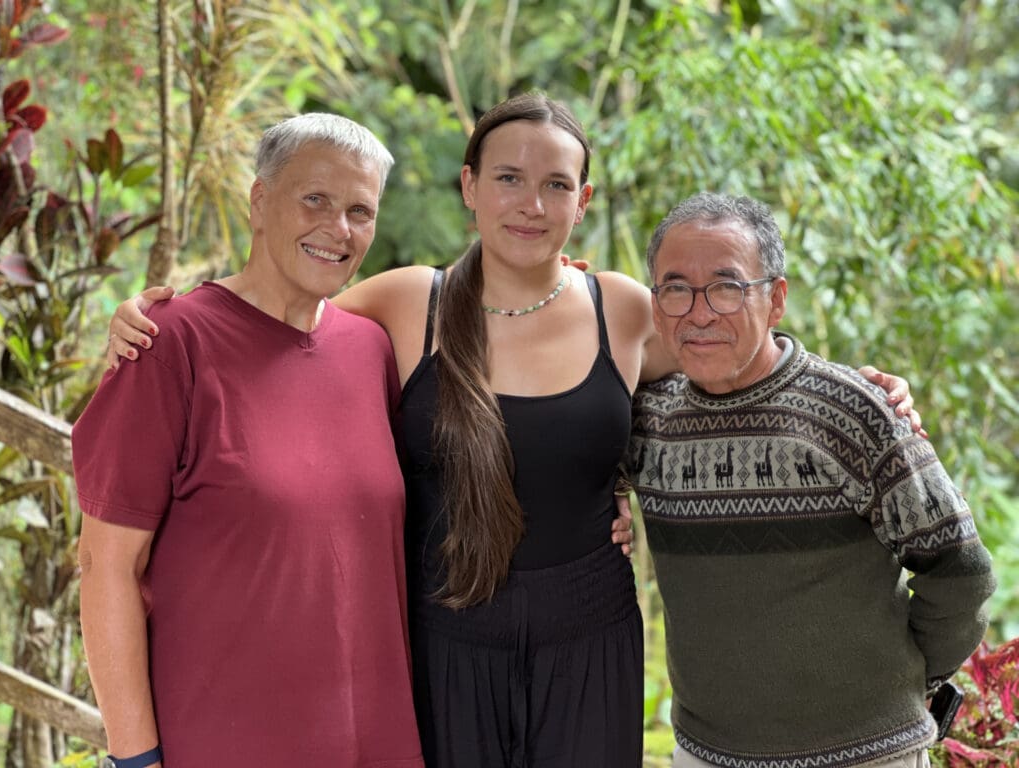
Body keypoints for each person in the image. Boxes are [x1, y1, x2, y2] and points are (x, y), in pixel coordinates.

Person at [105, 95, 919, 768]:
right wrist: (151, 312)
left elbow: (736, 351)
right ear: (468, 185)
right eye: (508, 178)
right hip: (446, 633)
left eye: (556, 185)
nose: (531, 204)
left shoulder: (624, 308)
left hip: (591, 634)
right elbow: (271, 326)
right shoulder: (401, 302)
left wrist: (862, 388)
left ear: (583, 201)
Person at [73, 114, 425, 767]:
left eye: (360, 210)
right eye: (314, 199)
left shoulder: (373, 350)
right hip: (221, 740)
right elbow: (104, 566)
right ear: (260, 201)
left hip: (373, 740)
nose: (339, 228)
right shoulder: (168, 344)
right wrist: (135, 757)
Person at [624, 191, 996, 768]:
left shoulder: (855, 411)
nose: (698, 313)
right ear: (655, 302)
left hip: (867, 755)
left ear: (775, 299)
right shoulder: (647, 422)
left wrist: (903, 682)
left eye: (727, 287)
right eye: (676, 289)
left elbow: (961, 573)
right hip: (706, 755)